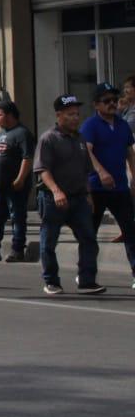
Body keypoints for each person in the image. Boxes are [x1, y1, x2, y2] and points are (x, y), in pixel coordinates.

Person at [36, 95, 106, 295]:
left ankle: (87, 280)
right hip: (54, 199)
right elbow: (43, 170)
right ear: (59, 115)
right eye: (70, 114)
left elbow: (84, 170)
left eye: (77, 114)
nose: (76, 118)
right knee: (49, 240)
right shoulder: (49, 138)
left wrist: (88, 195)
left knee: (89, 239)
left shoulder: (80, 139)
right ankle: (51, 281)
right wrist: (56, 191)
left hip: (78, 197)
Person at [79, 83, 135, 286]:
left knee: (130, 231)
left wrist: (133, 178)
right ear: (96, 105)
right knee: (89, 234)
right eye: (106, 101)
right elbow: (87, 151)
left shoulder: (122, 125)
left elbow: (129, 152)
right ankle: (86, 276)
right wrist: (101, 172)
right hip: (95, 189)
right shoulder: (90, 126)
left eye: (114, 100)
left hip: (119, 187)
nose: (112, 104)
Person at [0, 99, 34, 262]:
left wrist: (20, 178)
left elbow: (27, 158)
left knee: (17, 216)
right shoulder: (0, 135)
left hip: (15, 185)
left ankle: (18, 249)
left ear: (10, 115)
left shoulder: (22, 133)